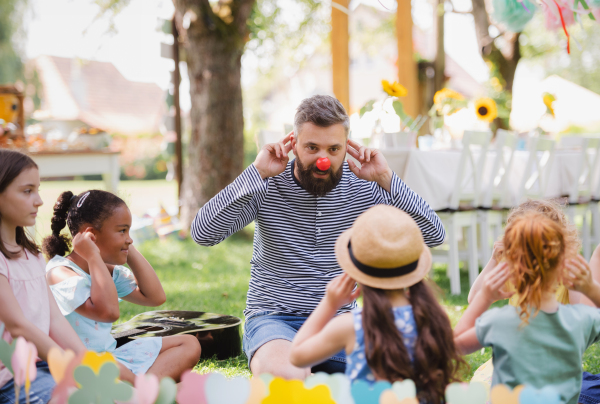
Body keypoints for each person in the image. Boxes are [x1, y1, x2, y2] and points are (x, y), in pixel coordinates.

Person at [191, 95, 445, 378]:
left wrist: (386, 177)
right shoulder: (266, 183)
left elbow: (433, 235)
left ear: (347, 148)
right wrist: (257, 172)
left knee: (405, 375)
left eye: (334, 149)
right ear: (293, 144)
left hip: (341, 322)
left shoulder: (365, 185)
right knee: (287, 379)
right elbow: (202, 233)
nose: (323, 160)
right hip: (274, 320)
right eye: (312, 147)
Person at [290, 205, 464, 404]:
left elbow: (297, 355)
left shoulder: (353, 326)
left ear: (356, 271)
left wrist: (329, 304)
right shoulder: (432, 317)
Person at [43, 190, 201, 383]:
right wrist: (92, 255)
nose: (130, 238)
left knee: (189, 343)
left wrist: (127, 247)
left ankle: (139, 391)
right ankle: (143, 391)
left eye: (128, 230)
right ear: (91, 235)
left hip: (111, 358)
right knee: (115, 370)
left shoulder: (106, 270)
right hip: (82, 366)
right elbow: (108, 312)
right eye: (122, 230)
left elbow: (155, 297)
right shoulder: (60, 273)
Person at [454, 212, 600, 404]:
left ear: (510, 271)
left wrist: (484, 297)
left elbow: (454, 345)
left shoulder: (499, 322)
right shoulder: (580, 322)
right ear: (563, 266)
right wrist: (591, 286)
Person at [0, 149, 85, 404]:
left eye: (37, 189)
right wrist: (67, 366)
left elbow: (55, 320)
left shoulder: (32, 255)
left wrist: (86, 362)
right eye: (27, 191)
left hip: (43, 365)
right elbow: (18, 326)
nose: (38, 200)